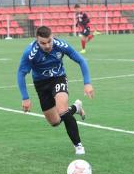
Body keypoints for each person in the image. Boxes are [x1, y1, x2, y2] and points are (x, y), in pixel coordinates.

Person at [17, 26, 94, 155]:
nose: (47, 45)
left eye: (49, 41)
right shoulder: (30, 52)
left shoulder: (61, 45)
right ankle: (76, 107)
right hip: (41, 84)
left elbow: (81, 60)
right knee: (55, 121)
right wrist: (25, 97)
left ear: (52, 37)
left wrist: (87, 83)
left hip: (59, 78)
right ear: (37, 40)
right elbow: (21, 73)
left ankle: (78, 146)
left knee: (62, 109)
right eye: (43, 43)